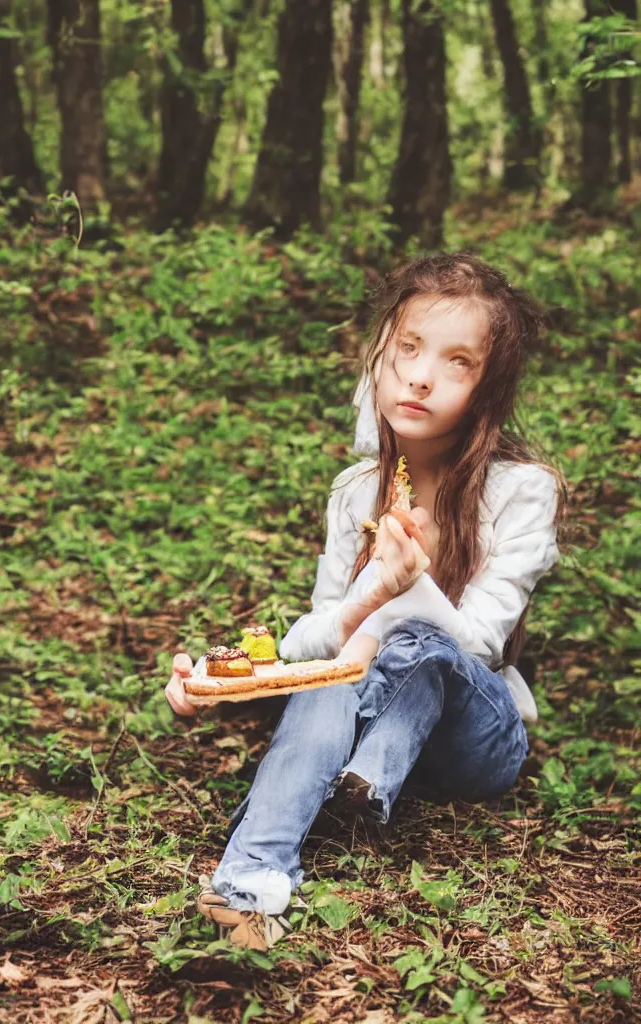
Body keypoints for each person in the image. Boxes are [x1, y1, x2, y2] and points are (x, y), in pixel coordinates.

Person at [164, 254, 562, 951]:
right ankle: (252, 883)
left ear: (487, 388)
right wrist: (219, 682)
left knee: (419, 644)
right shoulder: (355, 492)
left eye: (457, 361)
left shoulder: (522, 491)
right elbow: (312, 643)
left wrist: (408, 590)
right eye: (407, 348)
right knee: (343, 662)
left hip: (474, 744)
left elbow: (481, 643)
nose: (420, 374)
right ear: (380, 357)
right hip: (365, 705)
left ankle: (364, 777)